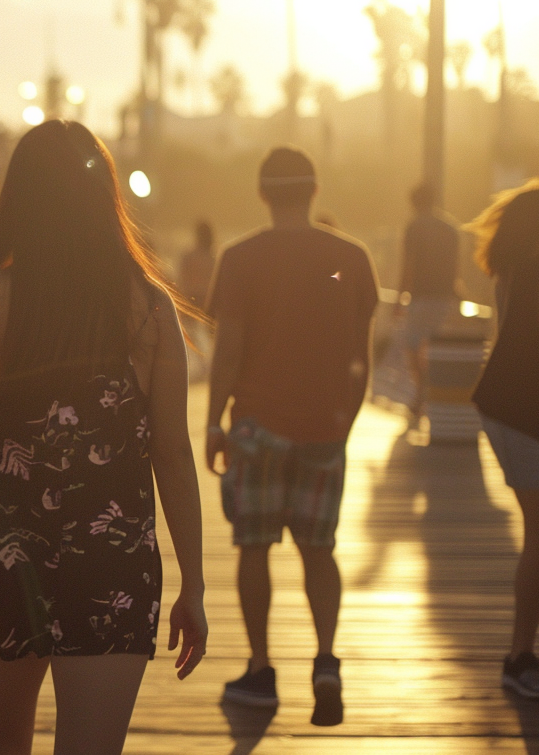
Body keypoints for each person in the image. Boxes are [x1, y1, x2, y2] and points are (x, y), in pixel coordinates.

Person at [0, 120, 208, 755]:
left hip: (2, 554)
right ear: (105, 198)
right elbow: (173, 453)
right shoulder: (149, 306)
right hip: (113, 557)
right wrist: (195, 586)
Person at [206, 147, 378, 727]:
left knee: (254, 548)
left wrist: (213, 420)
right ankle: (326, 661)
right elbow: (362, 356)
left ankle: (260, 669)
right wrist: (345, 423)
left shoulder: (240, 258)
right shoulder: (351, 257)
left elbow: (227, 351)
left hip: (258, 426)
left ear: (263, 193)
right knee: (318, 549)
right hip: (324, 427)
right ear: (313, 190)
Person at [466, 180, 539, 700]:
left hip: (518, 411)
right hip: (521, 415)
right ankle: (519, 656)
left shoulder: (512, 272)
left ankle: (525, 654)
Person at [398, 182, 461, 429]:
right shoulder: (451, 228)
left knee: (412, 344)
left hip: (422, 297)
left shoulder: (414, 227)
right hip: (446, 297)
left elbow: (409, 265)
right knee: (437, 348)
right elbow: (456, 266)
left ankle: (420, 392)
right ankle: (429, 392)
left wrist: (401, 297)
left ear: (414, 203)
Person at [178, 221, 217, 313]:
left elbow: (182, 279)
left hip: (197, 299)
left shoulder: (189, 256)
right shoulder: (214, 257)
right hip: (197, 298)